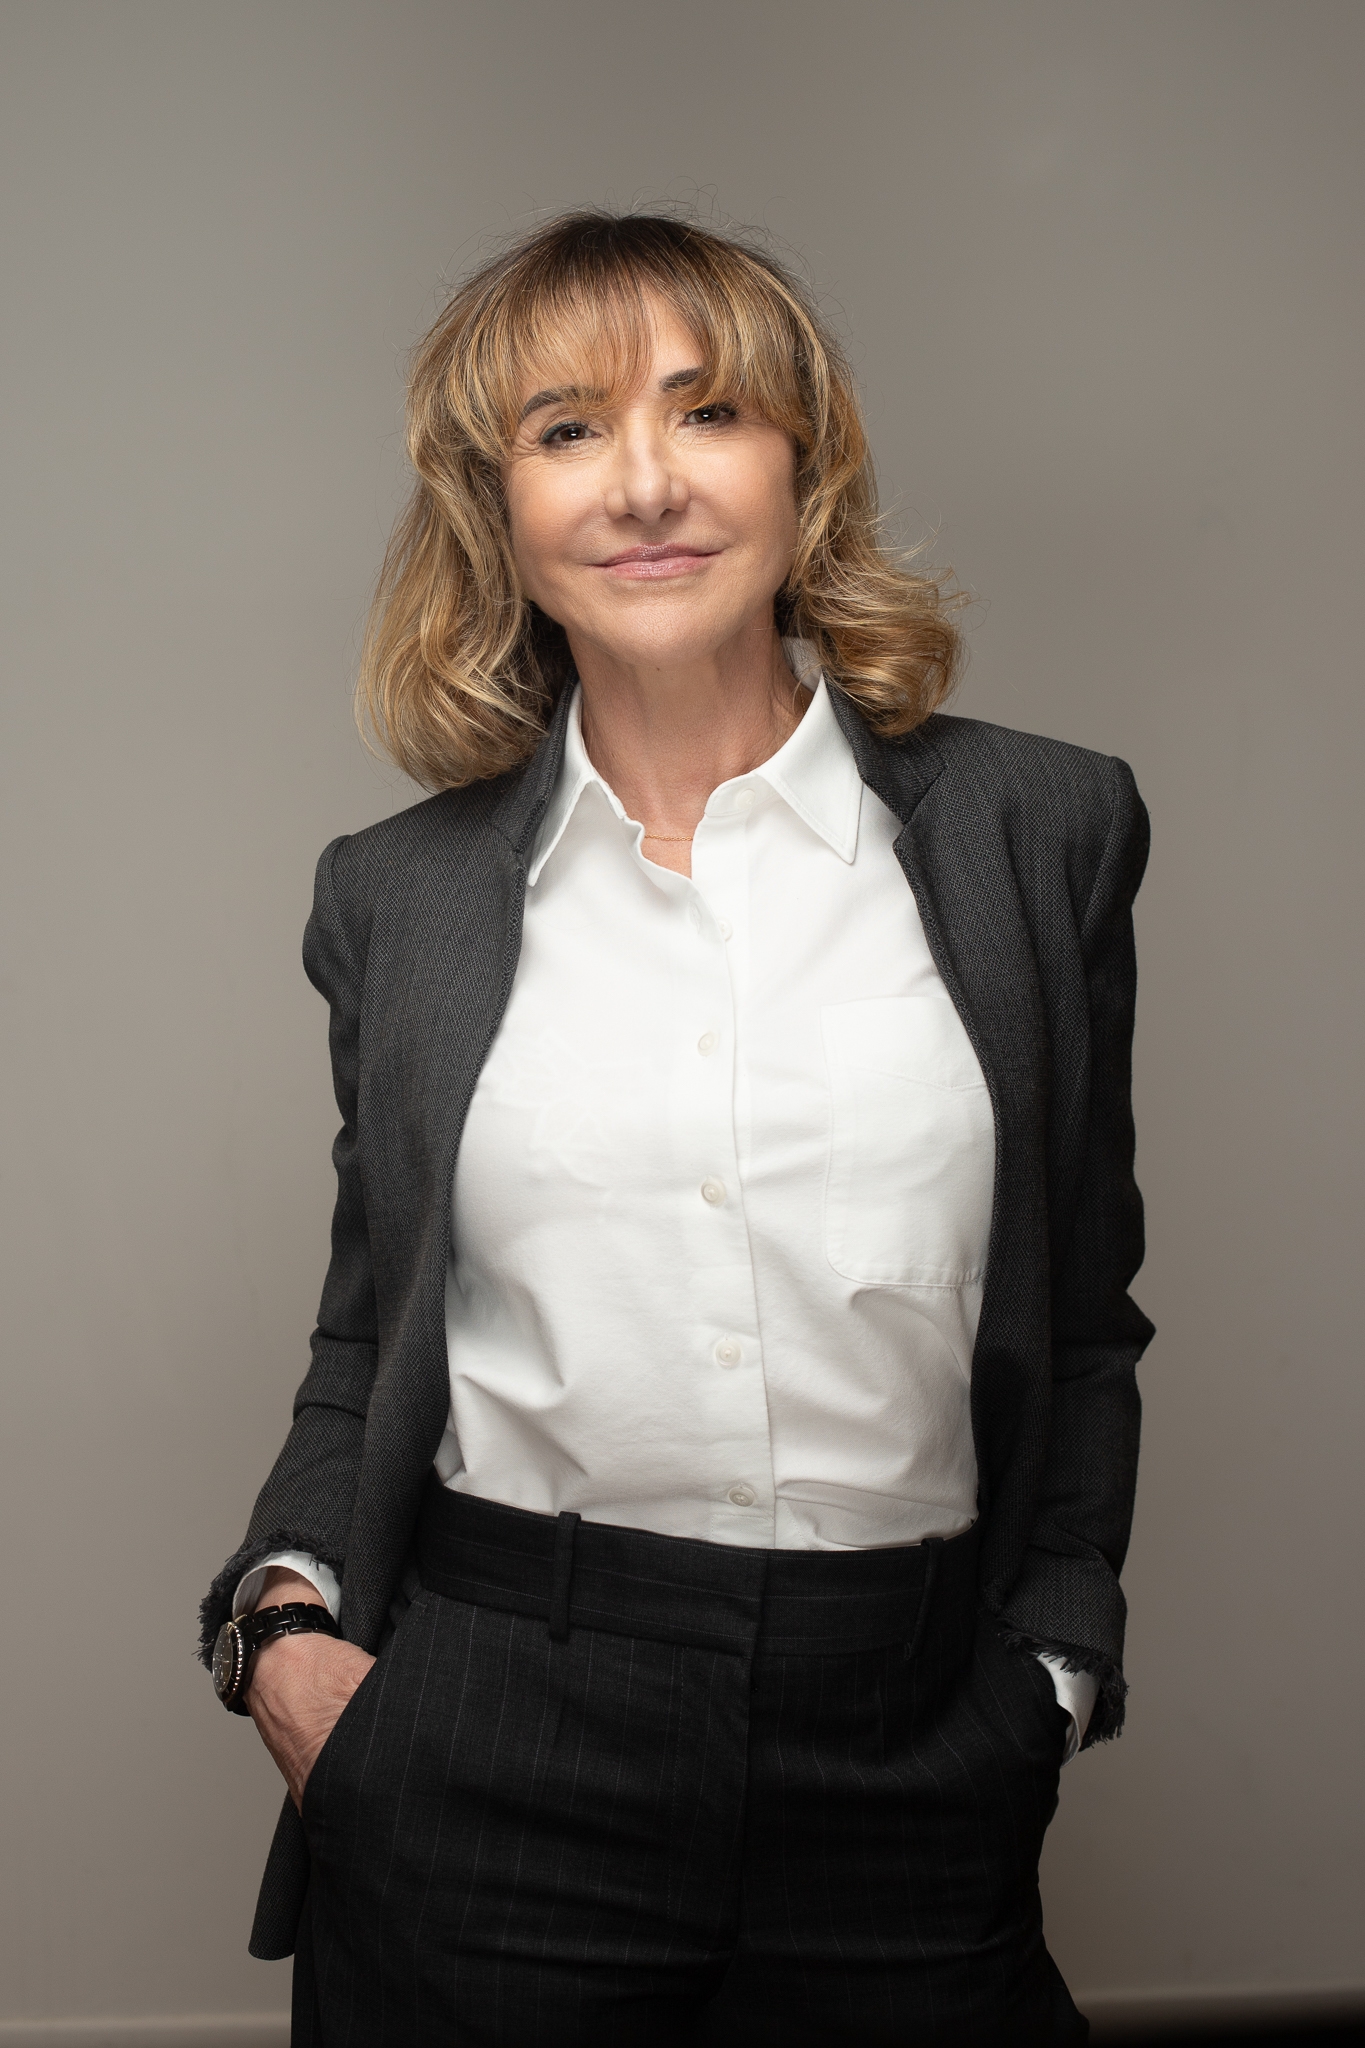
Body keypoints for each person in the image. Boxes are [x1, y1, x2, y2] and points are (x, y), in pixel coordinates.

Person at [200, 211, 1152, 2047]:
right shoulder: (395, 899)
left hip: (912, 1742)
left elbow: (1083, 1318)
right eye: (565, 431)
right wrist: (287, 1633)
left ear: (804, 464)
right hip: (490, 1725)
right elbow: (370, 1336)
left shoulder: (1038, 833)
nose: (643, 484)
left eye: (707, 412)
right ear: (497, 508)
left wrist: (1051, 1663)